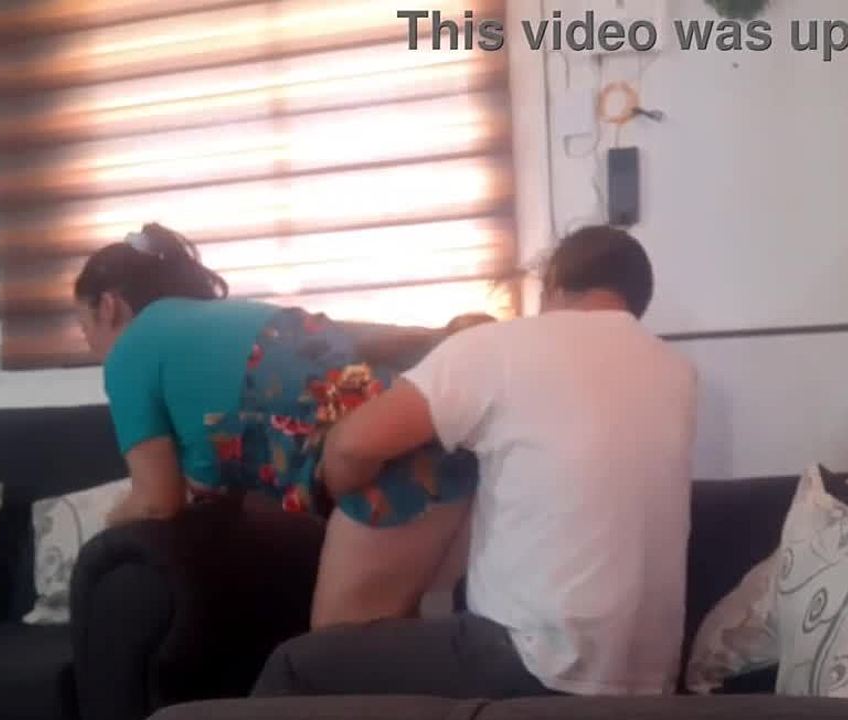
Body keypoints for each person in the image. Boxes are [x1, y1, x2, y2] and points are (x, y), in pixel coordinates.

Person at [252, 225, 699, 699]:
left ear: (553, 283)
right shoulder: (677, 372)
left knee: (297, 667)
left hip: (537, 663)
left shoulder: (505, 345)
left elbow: (352, 445)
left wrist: (340, 498)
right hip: (650, 681)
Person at [74, 222, 487, 626]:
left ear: (109, 306)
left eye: (84, 326)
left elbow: (156, 501)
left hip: (394, 467)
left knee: (341, 652)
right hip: (435, 444)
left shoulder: (129, 352)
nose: (90, 344)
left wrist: (104, 528)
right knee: (389, 642)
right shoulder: (223, 322)